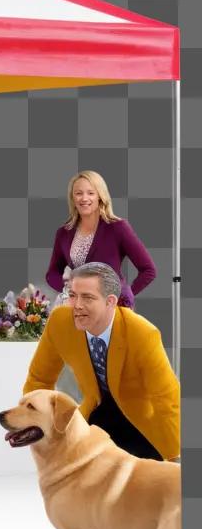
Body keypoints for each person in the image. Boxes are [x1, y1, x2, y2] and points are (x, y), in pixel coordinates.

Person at [24, 262, 179, 462]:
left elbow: (167, 399)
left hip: (140, 423)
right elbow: (39, 379)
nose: (76, 305)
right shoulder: (59, 322)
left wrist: (176, 458)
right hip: (95, 414)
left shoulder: (142, 333)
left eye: (87, 297)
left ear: (111, 302)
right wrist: (38, 426)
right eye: (72, 296)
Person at [46, 170, 155, 309]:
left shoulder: (117, 227)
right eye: (78, 193)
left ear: (100, 196)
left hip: (109, 311)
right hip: (78, 309)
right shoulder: (63, 233)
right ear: (72, 198)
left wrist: (125, 297)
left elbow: (148, 270)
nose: (84, 198)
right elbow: (52, 273)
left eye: (91, 193)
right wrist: (69, 290)